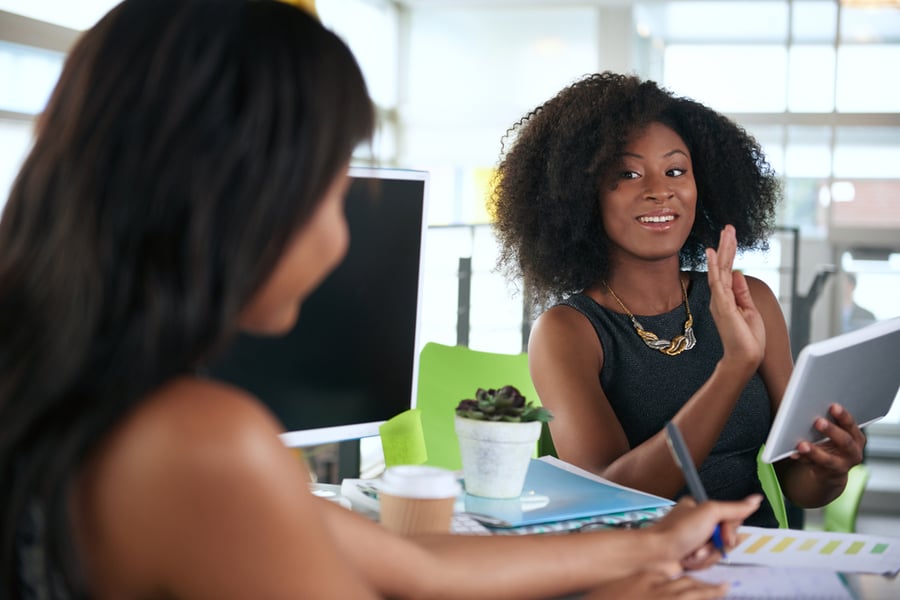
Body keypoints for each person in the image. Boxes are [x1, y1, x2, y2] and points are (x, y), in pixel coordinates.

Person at [0, 3, 762, 598]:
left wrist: (652, 544)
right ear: (235, 199)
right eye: (333, 188)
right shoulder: (201, 441)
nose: (340, 236)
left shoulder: (70, 391)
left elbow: (415, 566)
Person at [490, 72, 866, 529]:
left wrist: (830, 466)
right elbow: (610, 496)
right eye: (627, 173)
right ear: (580, 194)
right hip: (645, 571)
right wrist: (732, 369)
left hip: (758, 557)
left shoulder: (751, 301)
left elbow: (800, 486)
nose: (659, 189)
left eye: (675, 171)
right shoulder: (567, 332)